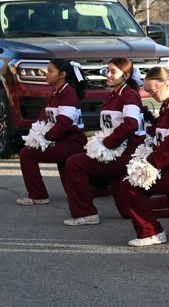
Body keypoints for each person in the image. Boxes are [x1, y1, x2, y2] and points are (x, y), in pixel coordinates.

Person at [116, 65, 169, 247]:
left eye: (152, 90)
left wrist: (149, 165)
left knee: (130, 184)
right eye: (146, 90)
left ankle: (151, 232)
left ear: (166, 84)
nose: (150, 94)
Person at [61, 57, 145, 226]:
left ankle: (86, 213)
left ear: (126, 75)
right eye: (108, 70)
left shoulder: (129, 95)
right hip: (116, 150)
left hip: (127, 152)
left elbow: (131, 124)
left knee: (75, 163)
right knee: (127, 211)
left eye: (113, 71)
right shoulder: (114, 95)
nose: (108, 74)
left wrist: (107, 143)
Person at [16, 59, 87, 205]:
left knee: (27, 154)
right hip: (62, 140)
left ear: (62, 74)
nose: (46, 74)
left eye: (50, 71)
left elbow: (64, 122)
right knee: (74, 189)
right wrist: (33, 135)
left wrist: (45, 138)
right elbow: (45, 118)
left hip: (72, 142)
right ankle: (103, 190)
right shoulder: (56, 92)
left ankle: (38, 195)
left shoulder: (68, 93)